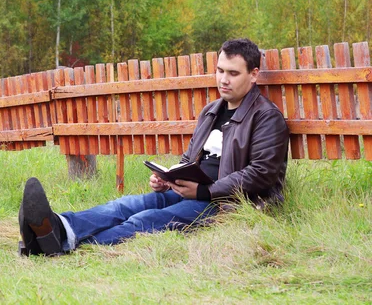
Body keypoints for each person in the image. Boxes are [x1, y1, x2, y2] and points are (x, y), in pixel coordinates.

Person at [18, 38, 290, 256]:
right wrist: (169, 177)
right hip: (191, 191)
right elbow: (190, 157)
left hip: (225, 203)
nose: (223, 80)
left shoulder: (266, 116)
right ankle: (59, 227)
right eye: (220, 71)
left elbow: (261, 173)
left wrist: (206, 190)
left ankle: (55, 245)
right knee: (124, 206)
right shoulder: (212, 110)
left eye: (233, 73)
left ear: (253, 75)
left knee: (146, 219)